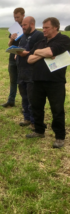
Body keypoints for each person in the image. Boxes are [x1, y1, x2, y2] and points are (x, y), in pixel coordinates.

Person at [26, 17, 70, 148]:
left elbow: (51, 51)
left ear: (56, 27)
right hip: (38, 79)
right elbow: (29, 59)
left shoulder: (64, 40)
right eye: (43, 27)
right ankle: (39, 130)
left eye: (47, 27)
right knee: (36, 106)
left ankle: (60, 136)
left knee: (57, 109)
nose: (43, 30)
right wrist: (42, 53)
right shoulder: (40, 42)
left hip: (55, 82)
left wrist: (39, 53)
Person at [16, 16, 44, 129]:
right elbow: (20, 47)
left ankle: (34, 121)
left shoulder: (39, 36)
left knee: (32, 98)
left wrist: (26, 54)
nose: (22, 27)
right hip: (21, 70)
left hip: (32, 71)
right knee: (24, 97)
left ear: (32, 24)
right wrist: (15, 53)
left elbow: (39, 53)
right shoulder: (23, 36)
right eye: (22, 25)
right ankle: (27, 118)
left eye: (24, 25)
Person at [1, 7, 25, 108]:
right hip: (12, 58)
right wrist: (11, 39)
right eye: (14, 17)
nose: (16, 19)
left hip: (22, 58)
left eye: (18, 17)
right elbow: (9, 44)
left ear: (23, 15)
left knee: (22, 82)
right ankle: (11, 100)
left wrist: (18, 52)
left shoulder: (26, 28)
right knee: (12, 80)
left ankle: (25, 104)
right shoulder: (14, 28)